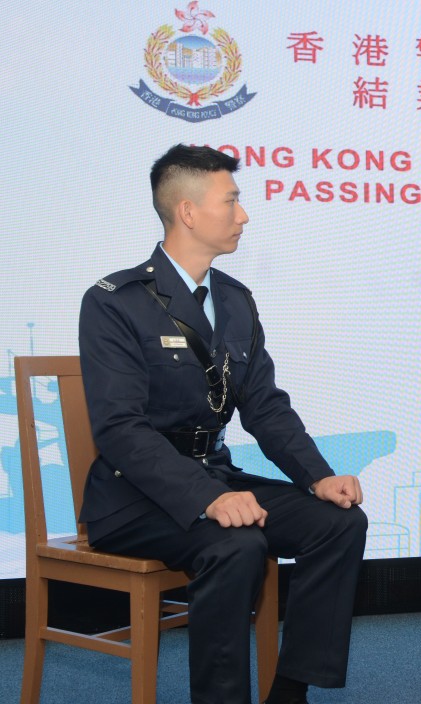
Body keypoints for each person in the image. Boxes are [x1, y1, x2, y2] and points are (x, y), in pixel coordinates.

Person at [78, 144, 368, 704]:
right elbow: (120, 429)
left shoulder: (235, 301)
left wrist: (317, 476)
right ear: (187, 211)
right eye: (231, 201)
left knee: (339, 523)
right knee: (236, 546)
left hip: (215, 476)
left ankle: (289, 693)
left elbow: (265, 406)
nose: (244, 215)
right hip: (133, 496)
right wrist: (207, 499)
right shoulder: (115, 302)